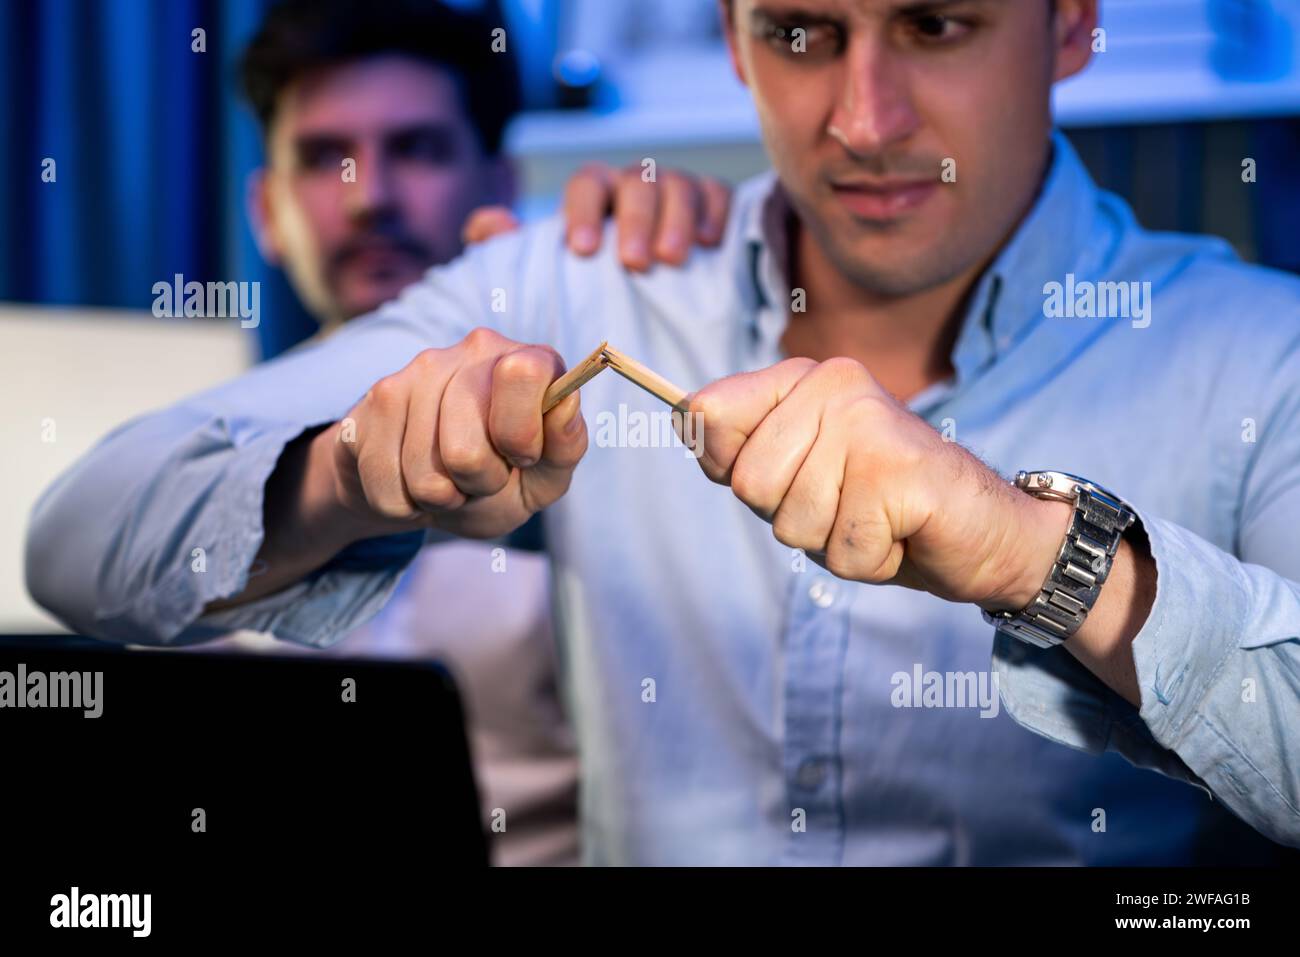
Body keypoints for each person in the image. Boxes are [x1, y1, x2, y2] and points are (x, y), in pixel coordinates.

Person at [28, 0, 1300, 863]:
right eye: (800, 31)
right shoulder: (571, 285)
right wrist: (349, 473)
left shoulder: (1258, 352)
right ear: (737, 42)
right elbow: (79, 539)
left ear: (1069, 22)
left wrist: (1036, 556)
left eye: (936, 22)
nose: (864, 121)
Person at [210, 0, 729, 866]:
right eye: (325, 156)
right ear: (266, 209)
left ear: (497, 183)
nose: (369, 197)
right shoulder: (217, 454)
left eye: (415, 149)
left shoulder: (609, 416)